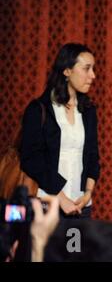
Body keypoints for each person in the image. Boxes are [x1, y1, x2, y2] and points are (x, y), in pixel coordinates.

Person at [20, 43, 100, 218]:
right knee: (43, 246)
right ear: (67, 71)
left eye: (93, 69)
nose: (92, 75)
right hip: (46, 206)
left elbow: (93, 155)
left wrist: (87, 193)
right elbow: (31, 159)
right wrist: (61, 197)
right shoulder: (38, 109)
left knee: (76, 246)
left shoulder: (88, 111)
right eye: (87, 69)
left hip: (80, 206)